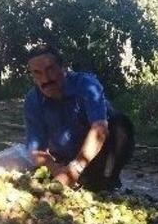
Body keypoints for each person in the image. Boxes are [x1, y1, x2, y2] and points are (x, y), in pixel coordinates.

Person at [23, 44, 135, 191]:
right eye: (37, 73)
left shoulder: (86, 85)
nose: (45, 79)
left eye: (50, 69)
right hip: (64, 157)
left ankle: (108, 179)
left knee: (121, 125)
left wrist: (75, 169)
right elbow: (35, 150)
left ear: (63, 67)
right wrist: (56, 169)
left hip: (100, 154)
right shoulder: (33, 100)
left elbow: (100, 129)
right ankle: (78, 177)